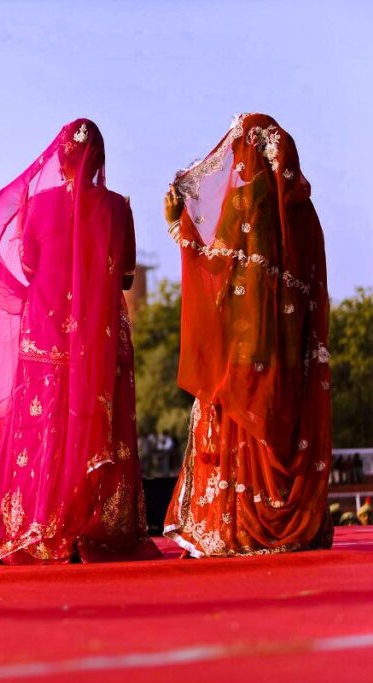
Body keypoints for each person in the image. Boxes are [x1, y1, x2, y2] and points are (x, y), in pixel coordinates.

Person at [0, 119, 159, 564]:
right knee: (96, 424)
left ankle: (43, 526)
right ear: (99, 157)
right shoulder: (117, 207)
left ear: (62, 157)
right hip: (100, 339)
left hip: (46, 330)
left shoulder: (38, 204)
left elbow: (30, 268)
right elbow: (126, 275)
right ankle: (93, 528)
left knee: (44, 426)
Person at [163, 113, 332, 556]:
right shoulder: (305, 213)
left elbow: (215, 261)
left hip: (243, 343)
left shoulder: (245, 202)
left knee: (235, 422)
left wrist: (177, 225)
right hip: (290, 353)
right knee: (281, 423)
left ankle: (237, 524)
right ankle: (292, 522)